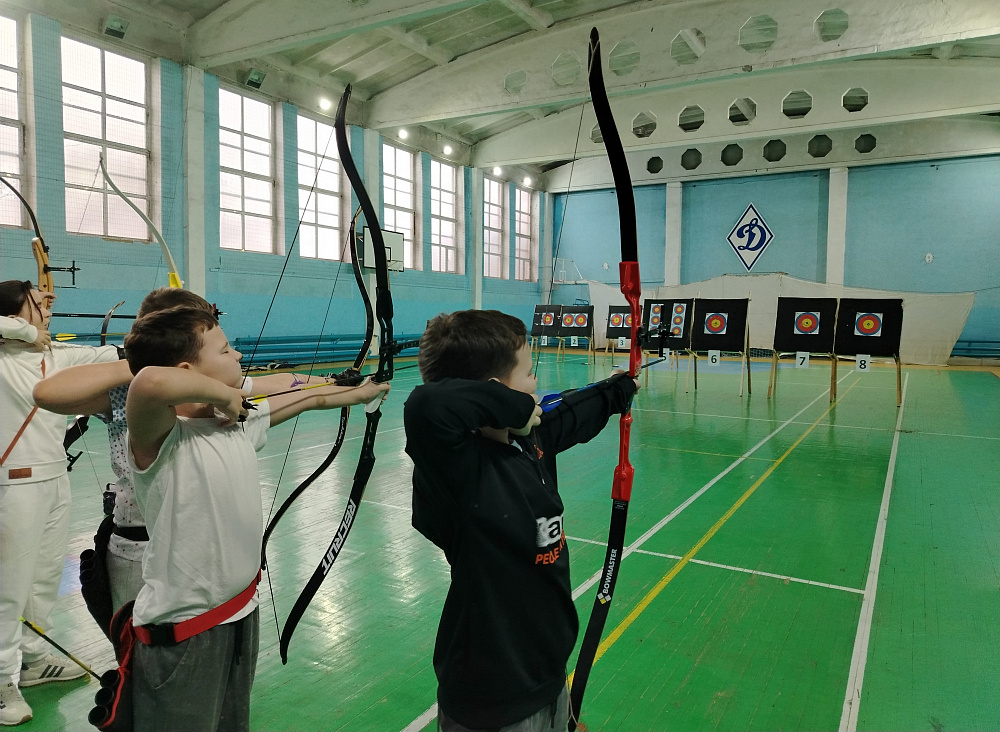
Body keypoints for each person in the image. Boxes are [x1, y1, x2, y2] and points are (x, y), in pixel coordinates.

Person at [122, 305, 388, 732]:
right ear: (188, 370)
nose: (238, 356)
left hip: (241, 611)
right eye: (225, 350)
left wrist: (364, 392)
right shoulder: (162, 437)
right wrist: (224, 394)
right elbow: (149, 382)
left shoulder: (236, 424)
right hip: (185, 631)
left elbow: (313, 397)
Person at [32, 287, 351, 622]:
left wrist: (334, 381)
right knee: (143, 644)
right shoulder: (130, 389)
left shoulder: (213, 387)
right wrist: (150, 363)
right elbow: (48, 392)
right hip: (140, 542)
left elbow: (279, 383)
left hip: (197, 544)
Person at [403, 309, 639, 732]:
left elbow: (571, 412)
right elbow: (426, 404)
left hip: (546, 677)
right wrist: (514, 407)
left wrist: (617, 389)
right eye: (529, 374)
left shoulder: (528, 440)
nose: (536, 382)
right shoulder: (458, 468)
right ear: (497, 393)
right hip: (491, 700)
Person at [0, 280, 120, 727]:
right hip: (13, 483)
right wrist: (27, 331)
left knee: (43, 578)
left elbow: (122, 356)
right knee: (9, 584)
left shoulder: (59, 356)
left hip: (53, 481)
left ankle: (32, 660)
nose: (48, 305)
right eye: (37, 302)